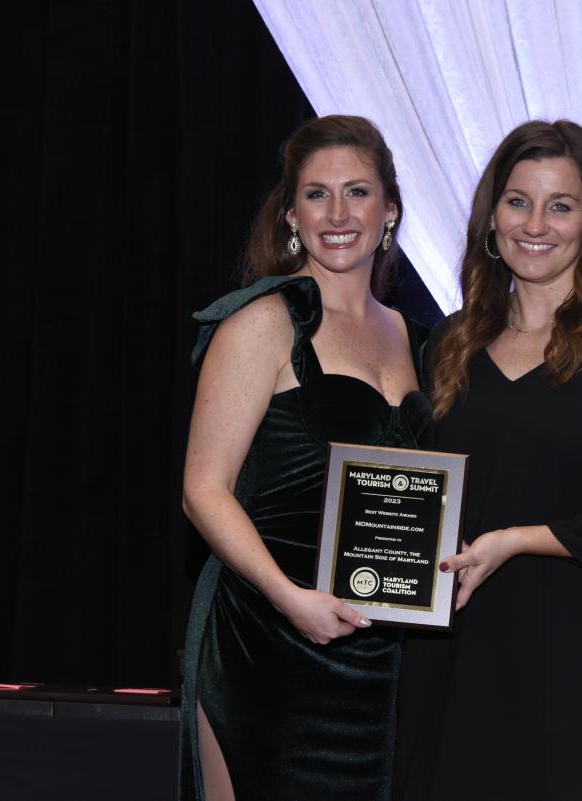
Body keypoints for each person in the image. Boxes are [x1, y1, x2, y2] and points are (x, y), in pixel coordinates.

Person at [394, 120, 582, 801]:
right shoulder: (449, 343)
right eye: (518, 201)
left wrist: (515, 541)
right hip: (453, 657)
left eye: (560, 205)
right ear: (491, 220)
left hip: (578, 667)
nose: (537, 223)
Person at [178, 115, 433, 801]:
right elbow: (204, 488)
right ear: (291, 214)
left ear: (390, 211)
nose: (339, 213)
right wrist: (289, 598)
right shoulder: (263, 321)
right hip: (270, 640)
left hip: (380, 658)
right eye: (317, 195)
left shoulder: (420, 338)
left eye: (358, 192)